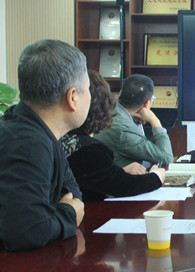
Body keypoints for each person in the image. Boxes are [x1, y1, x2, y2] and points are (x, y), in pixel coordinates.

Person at [0, 39, 88, 262]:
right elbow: (27, 230)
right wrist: (68, 214)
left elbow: (73, 193)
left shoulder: (38, 129)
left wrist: (62, 211)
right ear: (73, 97)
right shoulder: (26, 143)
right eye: (87, 89)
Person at [61, 71, 166, 201]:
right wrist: (156, 176)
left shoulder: (65, 139)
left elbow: (100, 178)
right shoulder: (90, 151)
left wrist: (120, 171)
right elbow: (123, 185)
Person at [95, 74, 173, 168]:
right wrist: (155, 121)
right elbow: (166, 157)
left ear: (120, 93)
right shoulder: (124, 130)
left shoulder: (111, 111)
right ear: (147, 103)